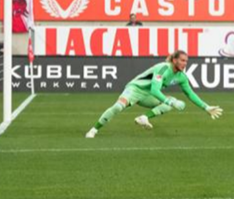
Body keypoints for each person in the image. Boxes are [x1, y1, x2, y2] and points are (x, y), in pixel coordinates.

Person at [85, 50, 223, 138]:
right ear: (174, 60)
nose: (185, 63)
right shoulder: (163, 68)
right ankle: (94, 129)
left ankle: (143, 118)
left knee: (169, 103)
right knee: (118, 107)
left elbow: (190, 94)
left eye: (186, 61)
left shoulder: (181, 76)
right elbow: (155, 90)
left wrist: (206, 107)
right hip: (135, 89)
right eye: (182, 60)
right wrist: (170, 101)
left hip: (148, 96)